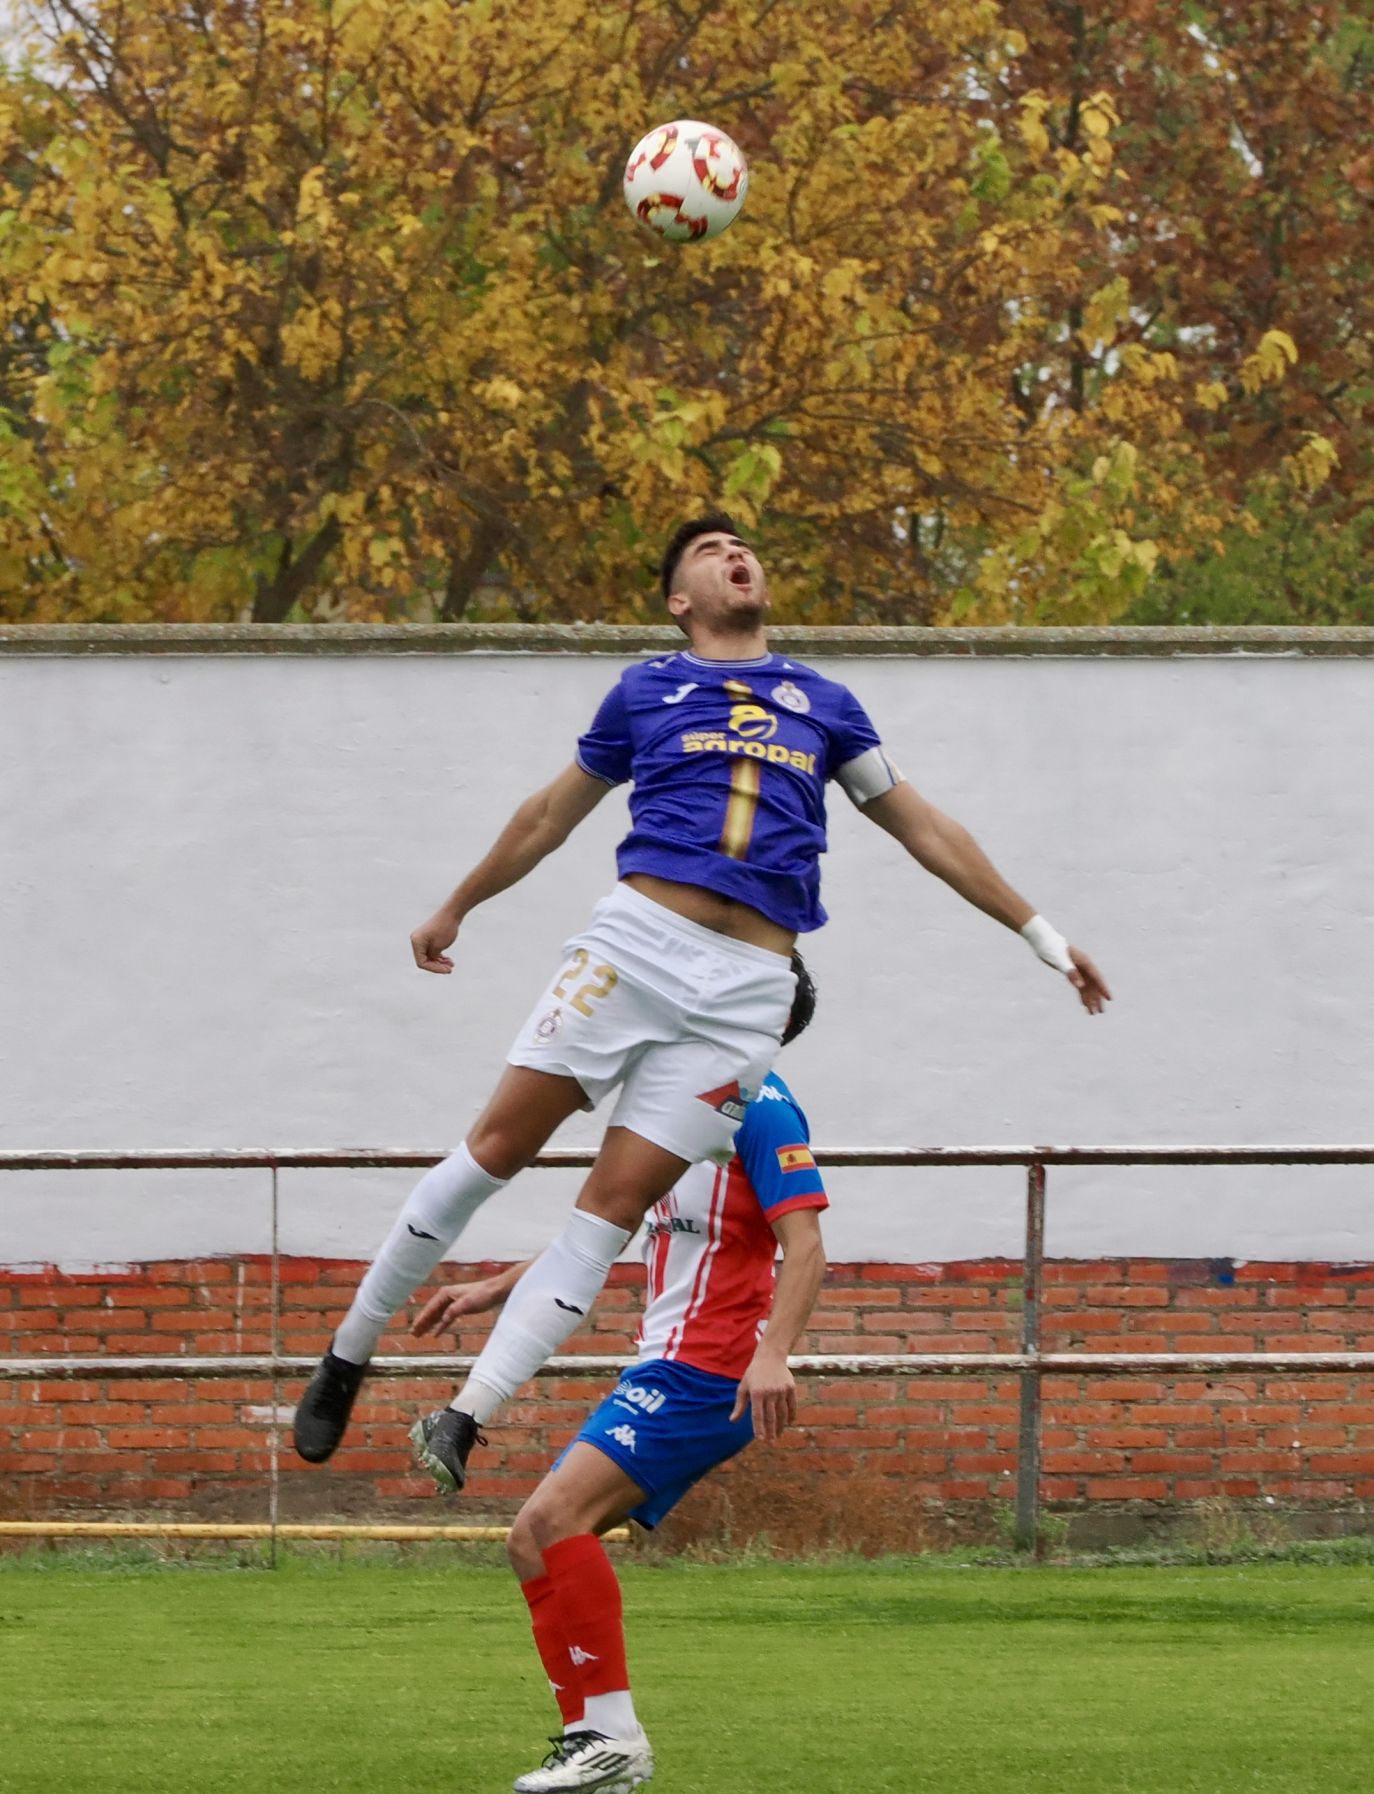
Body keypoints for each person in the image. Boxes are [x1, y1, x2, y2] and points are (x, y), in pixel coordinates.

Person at [292, 511, 1110, 1485]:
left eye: (744, 548)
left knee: (613, 1205)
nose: (738, 555)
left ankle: (472, 1416)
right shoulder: (648, 688)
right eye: (711, 554)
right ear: (682, 600)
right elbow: (550, 814)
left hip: (749, 995)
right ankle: (349, 1350)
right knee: (499, 1150)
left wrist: (1040, 934)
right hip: (636, 947)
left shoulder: (825, 702)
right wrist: (459, 904)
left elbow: (923, 827)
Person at [412, 986, 829, 1794]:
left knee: (548, 1524)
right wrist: (498, 1286)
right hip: (667, 1370)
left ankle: (609, 1741)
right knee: (533, 1542)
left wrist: (774, 1354)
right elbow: (604, 1227)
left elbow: (808, 1243)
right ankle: (592, 1741)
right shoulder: (686, 1114)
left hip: (707, 1376)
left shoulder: (764, 1108)